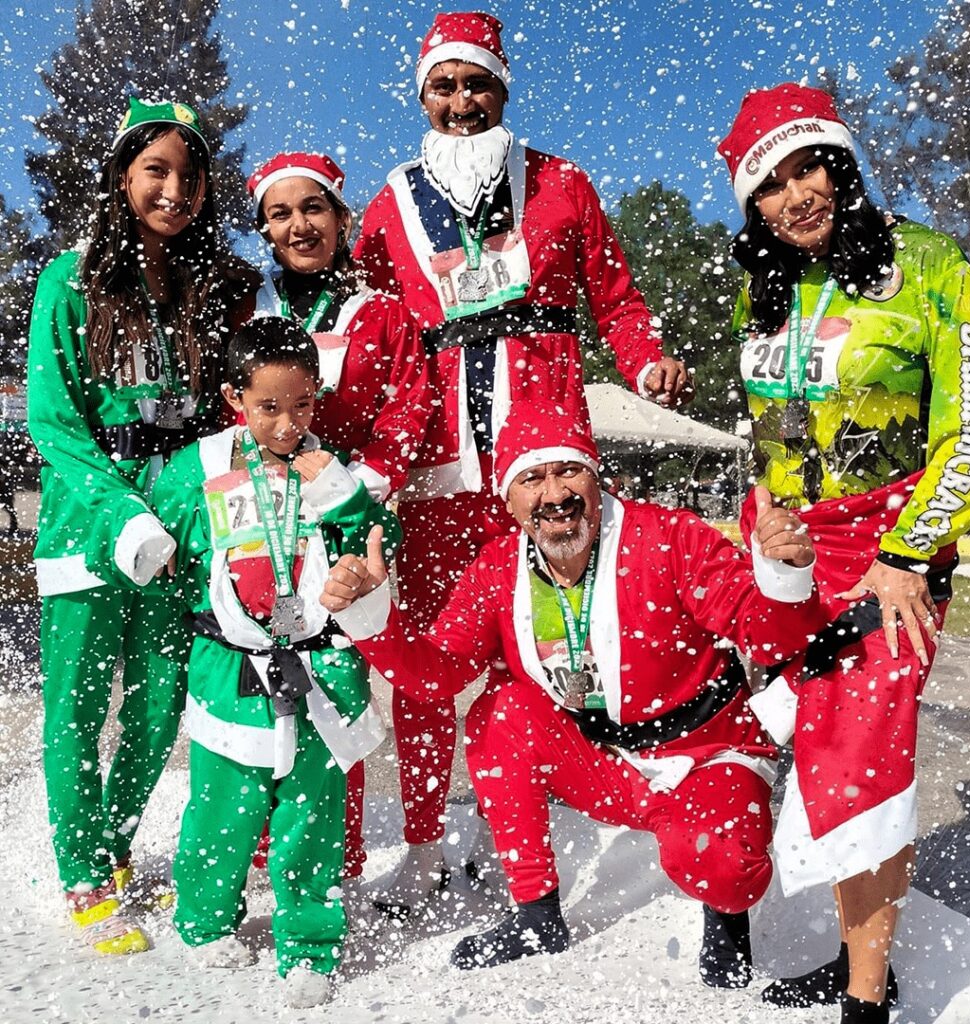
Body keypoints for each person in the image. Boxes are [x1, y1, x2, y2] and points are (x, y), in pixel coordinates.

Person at [352, 10, 693, 909]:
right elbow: (364, 329)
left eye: (478, 85)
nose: (461, 103)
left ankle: (538, 845)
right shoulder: (388, 202)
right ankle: (424, 846)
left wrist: (645, 355)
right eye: (444, 87)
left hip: (539, 464)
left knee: (537, 656)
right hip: (434, 468)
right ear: (421, 95)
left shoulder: (562, 183)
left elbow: (616, 298)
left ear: (503, 88)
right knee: (426, 662)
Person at [321, 398, 830, 981]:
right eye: (532, 478)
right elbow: (438, 677)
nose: (553, 494)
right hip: (602, 762)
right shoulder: (496, 567)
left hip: (706, 751)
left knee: (723, 864)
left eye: (568, 471)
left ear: (597, 476)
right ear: (508, 502)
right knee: (499, 712)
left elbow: (766, 636)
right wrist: (373, 618)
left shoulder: (670, 536)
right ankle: (536, 914)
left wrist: (784, 579)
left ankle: (727, 920)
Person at [716, 83, 970, 1024]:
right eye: (772, 183)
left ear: (840, 162)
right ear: (751, 201)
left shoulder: (928, 261)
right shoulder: (760, 289)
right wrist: (764, 525)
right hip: (795, 561)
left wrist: (909, 552)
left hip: (896, 557)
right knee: (761, 732)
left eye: (811, 168)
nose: (797, 195)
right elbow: (765, 434)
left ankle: (868, 1003)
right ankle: (788, 938)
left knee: (861, 756)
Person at [26, 97, 254, 955]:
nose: (174, 189)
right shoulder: (71, 278)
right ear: (122, 176)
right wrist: (120, 509)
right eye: (155, 170)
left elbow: (225, 418)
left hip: (180, 531)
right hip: (89, 530)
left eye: (189, 175)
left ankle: (115, 848)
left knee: (160, 708)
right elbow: (54, 422)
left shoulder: (206, 287)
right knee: (79, 709)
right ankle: (81, 870)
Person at [151, 318, 401, 1008]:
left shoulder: (335, 466)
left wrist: (347, 502)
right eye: (269, 407)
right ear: (235, 397)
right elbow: (159, 548)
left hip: (320, 668)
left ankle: (309, 943)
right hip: (230, 670)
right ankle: (203, 923)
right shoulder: (197, 470)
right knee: (221, 809)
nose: (289, 423)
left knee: (311, 817)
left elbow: (380, 540)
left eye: (303, 405)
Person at [244, 151, 431, 878]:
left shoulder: (379, 313)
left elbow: (409, 409)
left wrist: (351, 491)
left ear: (342, 218)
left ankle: (331, 848)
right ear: (264, 228)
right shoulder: (253, 312)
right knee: (263, 669)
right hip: (260, 525)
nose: (299, 225)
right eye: (281, 213)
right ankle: (261, 842)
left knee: (333, 678)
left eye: (313, 208)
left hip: (342, 525)